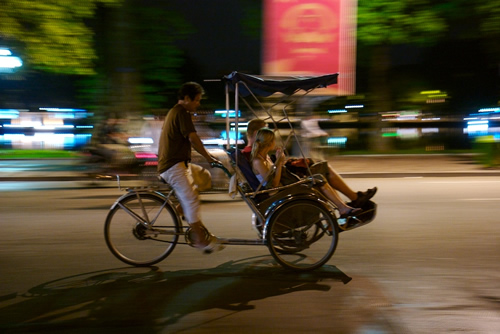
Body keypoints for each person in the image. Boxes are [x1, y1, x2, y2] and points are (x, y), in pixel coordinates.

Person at [242, 118, 377, 208]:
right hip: (281, 188)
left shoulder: (261, 154)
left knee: (320, 170)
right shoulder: (254, 157)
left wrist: (284, 162)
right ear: (257, 134)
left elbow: (270, 173)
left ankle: (345, 205)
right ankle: (349, 203)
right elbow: (271, 182)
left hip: (285, 178)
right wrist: (279, 162)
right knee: (321, 173)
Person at [157, 82, 224, 253]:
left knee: (203, 176)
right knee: (192, 200)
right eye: (197, 100)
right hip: (173, 166)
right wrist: (208, 157)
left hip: (178, 163)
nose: (198, 104)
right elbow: (193, 138)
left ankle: (183, 211)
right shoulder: (182, 112)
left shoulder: (176, 111)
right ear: (187, 98)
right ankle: (200, 241)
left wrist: (207, 159)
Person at [251, 128, 361, 218]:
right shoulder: (258, 161)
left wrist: (283, 162)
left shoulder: (265, 157)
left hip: (282, 185)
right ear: (269, 142)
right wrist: (279, 163)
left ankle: (341, 207)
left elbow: (274, 173)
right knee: (317, 180)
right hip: (277, 192)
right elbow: (273, 184)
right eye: (274, 140)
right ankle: (341, 209)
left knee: (317, 178)